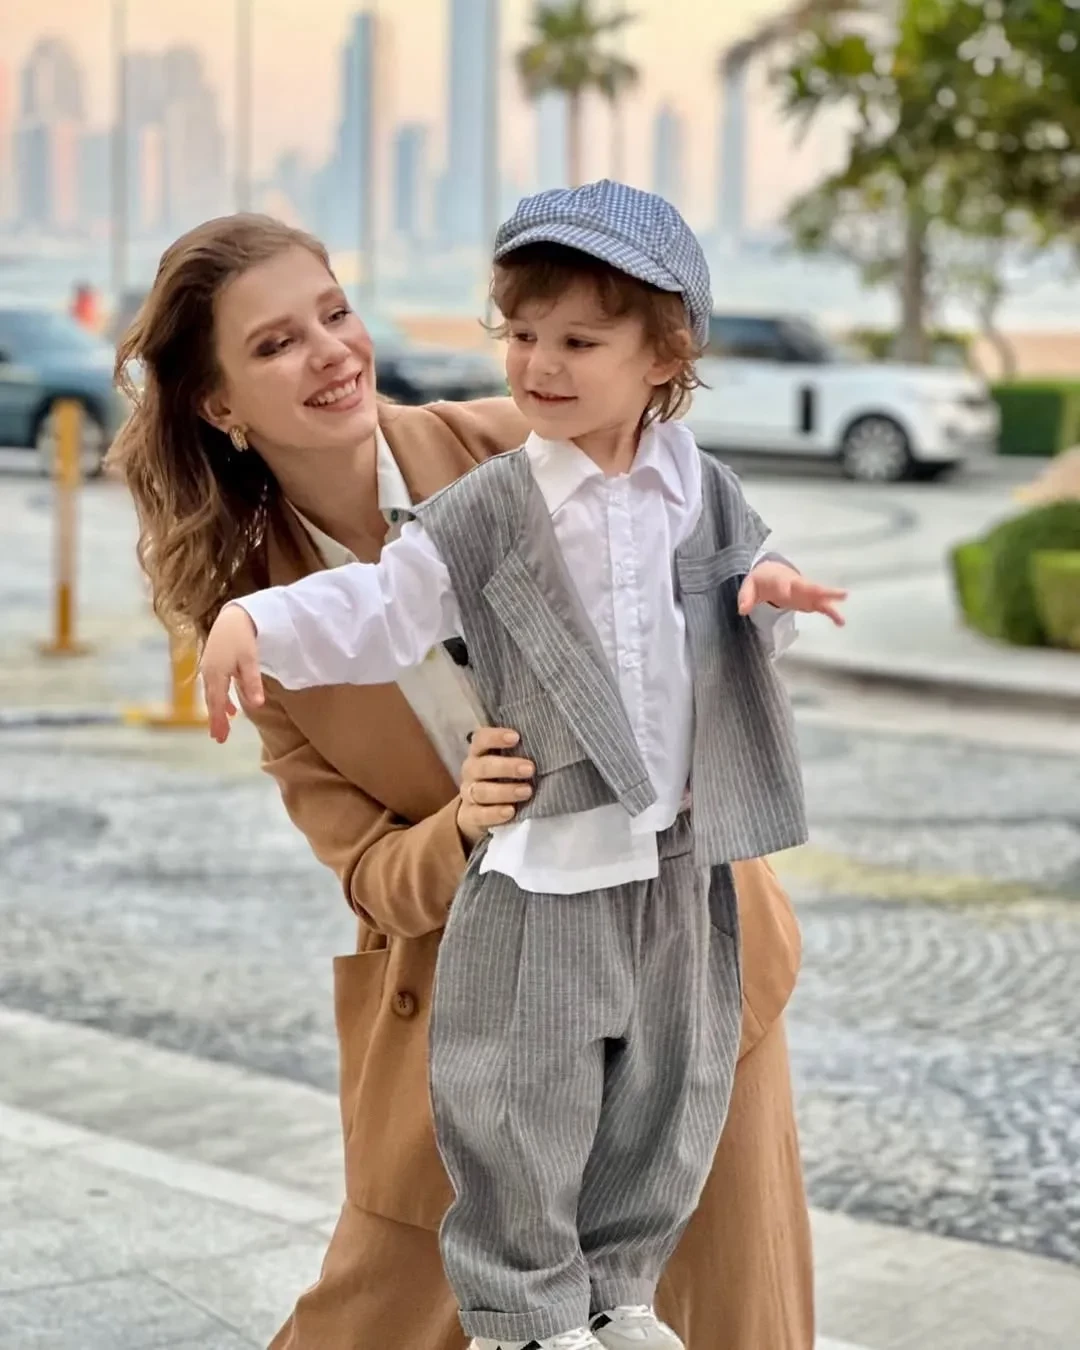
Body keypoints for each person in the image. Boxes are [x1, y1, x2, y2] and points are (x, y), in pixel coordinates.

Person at [110, 210, 816, 1350]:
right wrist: (463, 822)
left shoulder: (519, 439)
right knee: (388, 1317)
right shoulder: (258, 615)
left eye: (335, 312)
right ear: (218, 404)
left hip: (676, 954)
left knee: (720, 1310)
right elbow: (370, 876)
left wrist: (759, 605)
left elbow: (698, 569)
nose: (331, 353)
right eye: (277, 344)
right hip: (476, 1004)